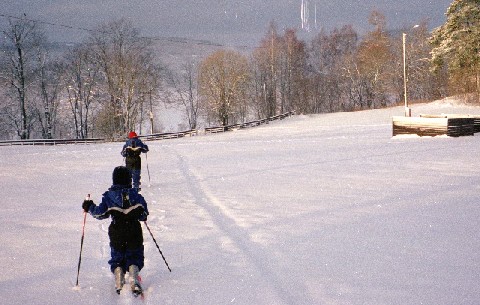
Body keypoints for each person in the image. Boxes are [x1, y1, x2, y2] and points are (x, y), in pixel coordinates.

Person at [82, 166, 149, 296]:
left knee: (117, 255)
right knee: (135, 254)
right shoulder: (136, 196)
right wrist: (140, 213)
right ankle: (134, 277)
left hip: (117, 230)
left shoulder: (109, 197)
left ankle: (119, 277)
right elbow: (144, 214)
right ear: (129, 180)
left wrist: (89, 206)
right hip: (134, 230)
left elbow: (100, 214)